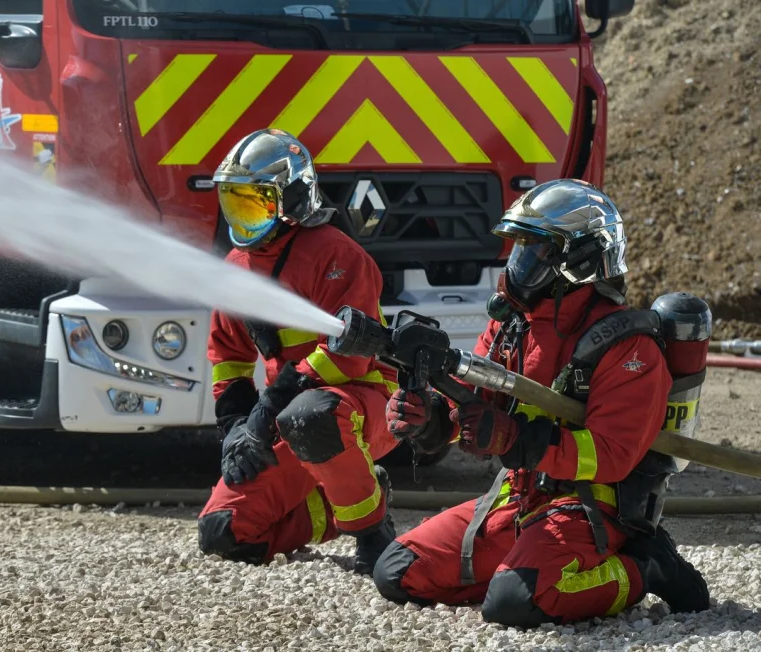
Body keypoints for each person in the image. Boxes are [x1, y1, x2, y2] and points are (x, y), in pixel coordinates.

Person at [372, 179, 711, 626]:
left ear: (580, 261)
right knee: (398, 572)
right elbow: (472, 403)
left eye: (535, 250)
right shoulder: (515, 325)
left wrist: (514, 439)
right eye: (520, 249)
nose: (520, 263)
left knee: (515, 603)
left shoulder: (630, 347)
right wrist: (430, 418)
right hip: (519, 495)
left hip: (592, 504)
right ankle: (525, 565)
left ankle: (648, 566)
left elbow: (611, 454)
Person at [196, 128, 402, 575]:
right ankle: (333, 503)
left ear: (292, 199)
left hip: (364, 402)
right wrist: (235, 425)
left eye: (253, 203)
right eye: (234, 202)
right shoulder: (236, 268)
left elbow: (345, 357)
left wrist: (266, 411)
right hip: (288, 414)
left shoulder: (337, 256)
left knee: (312, 415)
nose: (241, 216)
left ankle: (372, 533)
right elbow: (228, 355)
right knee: (222, 534)